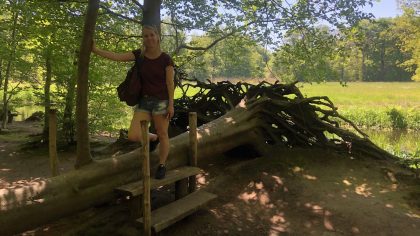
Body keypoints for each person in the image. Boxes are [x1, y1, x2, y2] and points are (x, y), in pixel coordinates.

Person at [92, 25, 175, 179]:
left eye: (151, 35)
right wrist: (96, 50)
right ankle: (153, 138)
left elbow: (170, 84)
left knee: (163, 133)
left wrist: (171, 104)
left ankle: (162, 165)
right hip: (144, 101)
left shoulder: (166, 59)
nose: (149, 38)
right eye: (145, 36)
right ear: (143, 39)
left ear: (157, 37)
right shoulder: (139, 55)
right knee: (133, 135)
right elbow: (117, 56)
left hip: (161, 102)